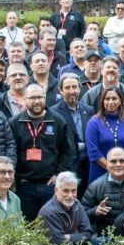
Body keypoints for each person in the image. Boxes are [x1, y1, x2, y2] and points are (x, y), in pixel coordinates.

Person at [11, 84, 77, 221]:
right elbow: (11, 152)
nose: (36, 101)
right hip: (25, 184)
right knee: (27, 224)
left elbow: (69, 151)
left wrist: (58, 175)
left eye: (40, 97)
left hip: (49, 184)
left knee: (49, 224)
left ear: (45, 97)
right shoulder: (15, 123)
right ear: (24, 99)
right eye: (32, 98)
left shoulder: (57, 120)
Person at [86, 86, 124, 182]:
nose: (110, 102)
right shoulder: (93, 122)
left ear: (120, 101)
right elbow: (93, 152)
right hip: (100, 175)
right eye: (107, 99)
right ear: (102, 101)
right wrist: (113, 169)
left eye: (114, 98)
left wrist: (122, 168)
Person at [39, 172, 99, 245]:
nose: (70, 195)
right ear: (56, 190)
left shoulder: (76, 204)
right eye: (66, 191)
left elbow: (88, 233)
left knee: (104, 241)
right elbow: (59, 242)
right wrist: (78, 236)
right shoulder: (48, 212)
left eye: (73, 191)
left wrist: (69, 237)